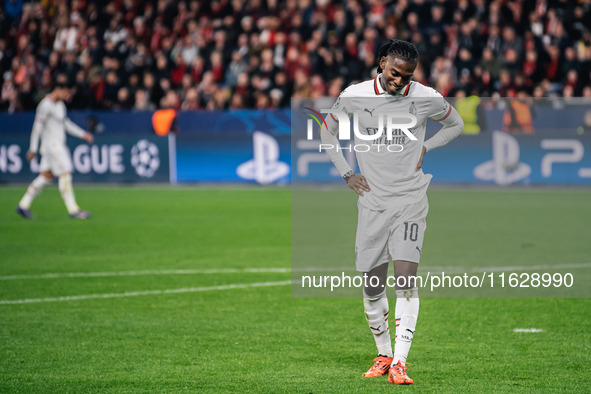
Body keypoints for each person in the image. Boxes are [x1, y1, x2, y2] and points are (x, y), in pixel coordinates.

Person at [321, 40, 463, 385]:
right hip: (372, 203)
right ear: (382, 63)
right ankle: (383, 353)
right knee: (372, 287)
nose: (399, 82)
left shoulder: (424, 97)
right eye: (394, 73)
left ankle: (400, 361)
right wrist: (346, 172)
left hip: (410, 201)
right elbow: (327, 131)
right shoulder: (355, 95)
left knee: (405, 280)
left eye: (407, 76)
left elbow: (456, 124)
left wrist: (426, 146)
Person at [16, 82, 94, 219]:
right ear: (57, 90)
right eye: (65, 92)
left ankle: (23, 205)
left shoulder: (60, 105)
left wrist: (83, 134)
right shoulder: (45, 105)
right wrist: (33, 148)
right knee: (66, 172)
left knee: (46, 176)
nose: (67, 95)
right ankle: (73, 209)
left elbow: (66, 124)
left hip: (54, 145)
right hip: (52, 146)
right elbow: (37, 127)